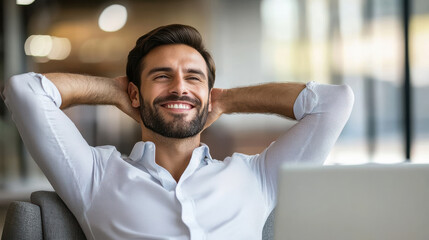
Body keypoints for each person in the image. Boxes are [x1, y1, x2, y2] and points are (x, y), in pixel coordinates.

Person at [2, 24, 354, 240]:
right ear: (136, 93)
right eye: (162, 76)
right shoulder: (95, 175)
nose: (179, 87)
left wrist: (229, 100)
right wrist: (115, 91)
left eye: (194, 77)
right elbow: (24, 91)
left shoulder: (256, 176)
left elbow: (333, 103)